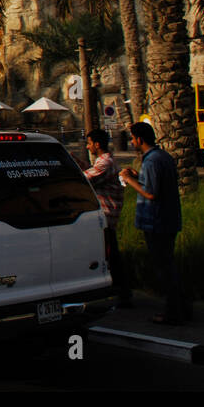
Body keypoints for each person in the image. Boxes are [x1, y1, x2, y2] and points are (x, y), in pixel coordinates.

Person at [120, 122, 189, 324]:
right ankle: (182, 307)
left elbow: (151, 193)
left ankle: (172, 312)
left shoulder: (151, 161)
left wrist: (129, 180)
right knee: (169, 265)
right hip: (168, 219)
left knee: (164, 268)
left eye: (133, 138)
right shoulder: (163, 157)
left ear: (140, 139)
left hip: (156, 222)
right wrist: (138, 176)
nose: (132, 142)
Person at [84, 128, 131, 307]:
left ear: (97, 144)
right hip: (107, 216)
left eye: (89, 144)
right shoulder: (104, 161)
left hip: (106, 216)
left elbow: (85, 179)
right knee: (111, 255)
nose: (88, 147)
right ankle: (120, 291)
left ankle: (122, 293)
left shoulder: (104, 163)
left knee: (112, 256)